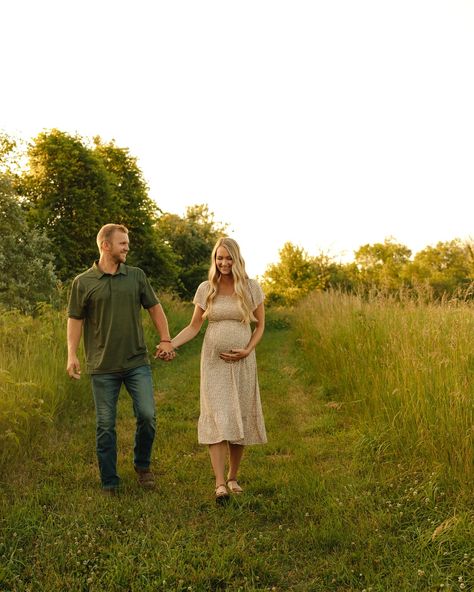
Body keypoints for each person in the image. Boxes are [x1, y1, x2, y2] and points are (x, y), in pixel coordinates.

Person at [66, 223, 175, 495]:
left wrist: (165, 338)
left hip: (136, 362)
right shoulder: (83, 282)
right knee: (105, 425)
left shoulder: (136, 276)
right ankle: (110, 480)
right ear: (106, 245)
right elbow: (75, 320)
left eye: (127, 243)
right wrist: (71, 354)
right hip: (102, 367)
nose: (127, 247)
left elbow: (155, 309)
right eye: (122, 243)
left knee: (148, 416)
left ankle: (142, 466)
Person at [157, 237, 267, 502]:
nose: (224, 263)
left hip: (242, 362)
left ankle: (233, 477)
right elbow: (195, 326)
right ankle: (219, 484)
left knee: (238, 414)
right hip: (213, 362)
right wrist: (170, 344)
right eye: (219, 258)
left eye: (229, 258)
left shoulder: (251, 288)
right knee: (217, 415)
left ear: (237, 259)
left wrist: (248, 350)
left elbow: (260, 326)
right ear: (214, 260)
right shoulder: (206, 288)